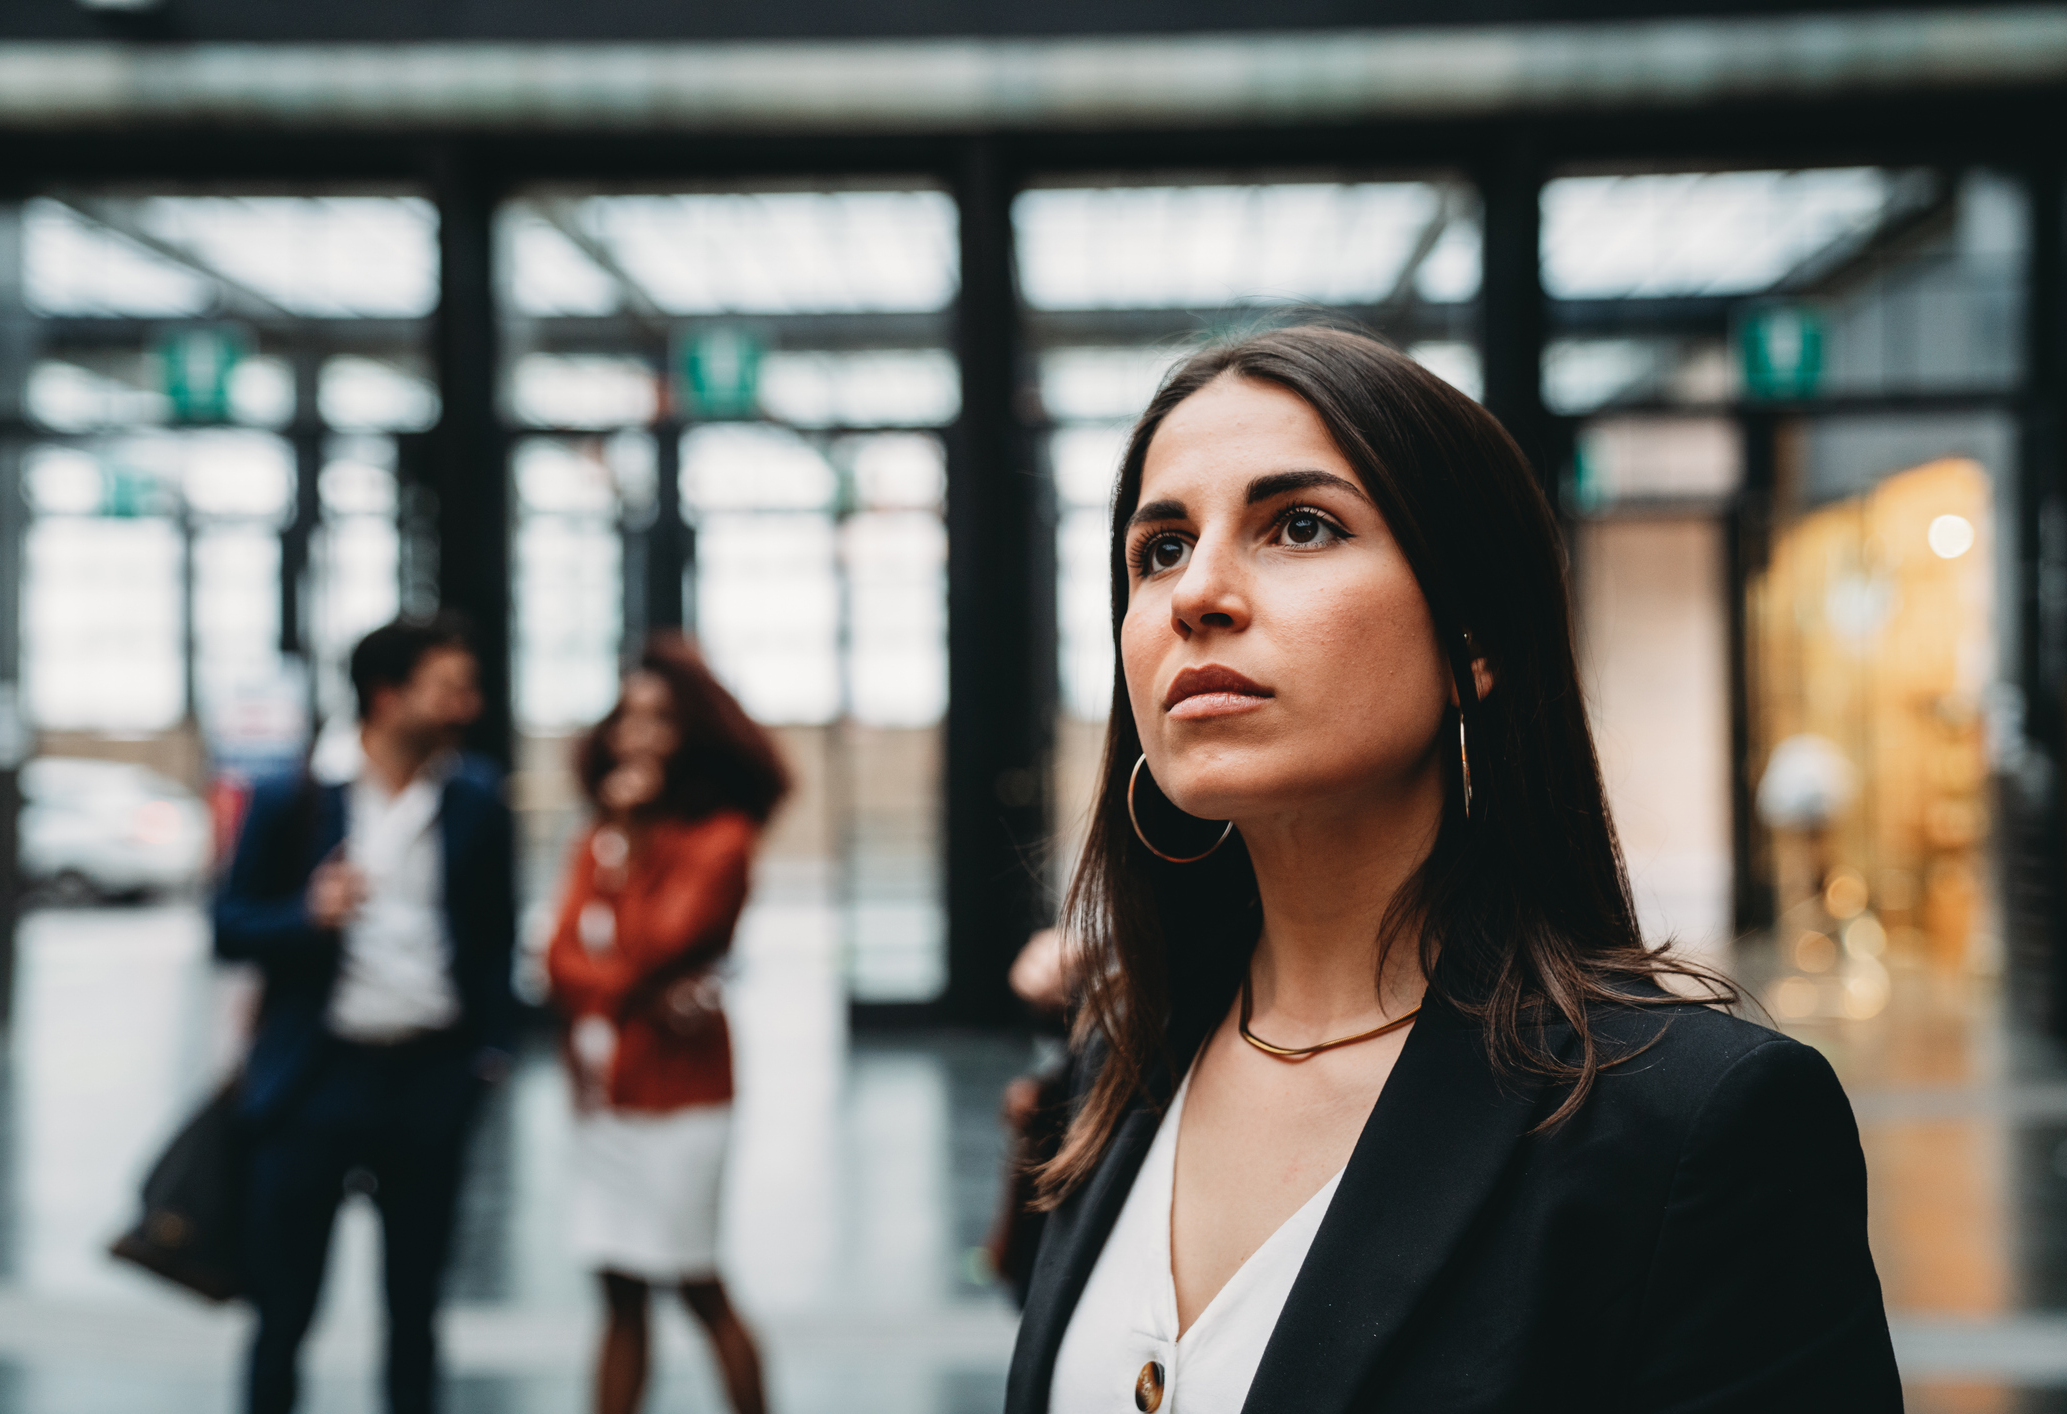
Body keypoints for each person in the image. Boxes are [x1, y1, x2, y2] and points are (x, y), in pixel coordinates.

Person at [1006, 327, 1900, 1413]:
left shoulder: (1689, 1128)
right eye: (1158, 549)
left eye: (1297, 525)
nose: (1197, 592)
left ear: (1472, 636)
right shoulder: (1119, 1068)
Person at [215, 614, 516, 1414]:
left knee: (416, 1312)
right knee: (283, 1312)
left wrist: (487, 1055)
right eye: (449, 688)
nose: (468, 705)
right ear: (388, 697)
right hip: (315, 1081)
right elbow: (227, 925)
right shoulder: (293, 798)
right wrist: (305, 916)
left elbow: (495, 939)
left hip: (429, 1079)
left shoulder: (477, 799)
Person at [546, 633, 790, 1414]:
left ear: (695, 733)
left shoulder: (719, 839)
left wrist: (634, 845)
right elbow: (556, 959)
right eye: (628, 716)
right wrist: (620, 987)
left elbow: (652, 946)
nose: (637, 734)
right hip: (603, 1091)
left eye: (659, 718)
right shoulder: (602, 831)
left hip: (680, 1097)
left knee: (695, 1282)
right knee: (616, 1289)